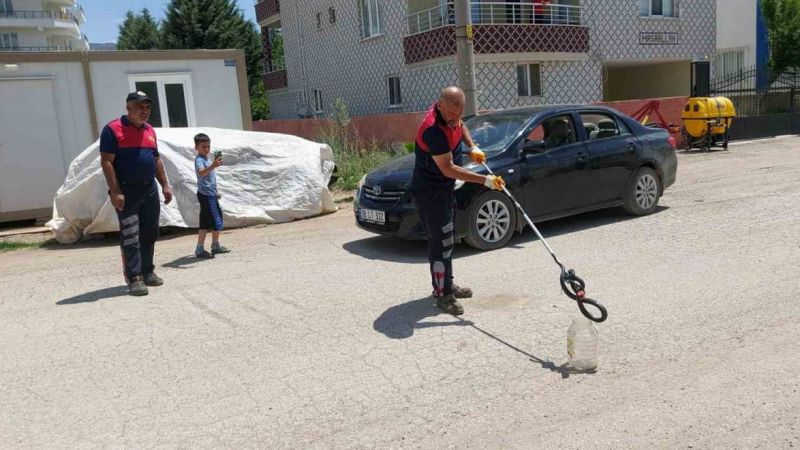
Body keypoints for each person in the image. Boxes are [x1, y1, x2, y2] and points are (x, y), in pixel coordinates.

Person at [411, 86, 506, 315]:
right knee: (439, 242)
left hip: (444, 190)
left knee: (447, 238)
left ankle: (447, 283)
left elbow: (461, 127)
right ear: (440, 105)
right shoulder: (432, 130)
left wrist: (473, 146)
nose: (457, 119)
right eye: (453, 114)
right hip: (429, 192)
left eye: (460, 113)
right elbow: (448, 168)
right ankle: (443, 295)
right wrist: (485, 181)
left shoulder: (453, 117)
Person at [99, 91, 173, 296]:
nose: (145, 111)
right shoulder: (113, 129)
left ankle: (148, 271)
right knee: (131, 235)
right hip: (126, 191)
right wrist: (115, 191)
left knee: (149, 233)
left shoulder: (150, 131)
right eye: (140, 107)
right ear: (128, 107)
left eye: (148, 107)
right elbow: (106, 161)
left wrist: (165, 185)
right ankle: (134, 277)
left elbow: (156, 159)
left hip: (149, 189)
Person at [193, 133, 231, 258]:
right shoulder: (199, 160)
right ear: (196, 147)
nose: (207, 149)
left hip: (210, 194)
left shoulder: (208, 160)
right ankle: (214, 245)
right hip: (206, 194)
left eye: (208, 146)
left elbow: (211, 179)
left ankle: (201, 248)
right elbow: (202, 173)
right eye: (203, 146)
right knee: (216, 220)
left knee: (204, 223)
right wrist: (213, 166)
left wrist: (216, 192)